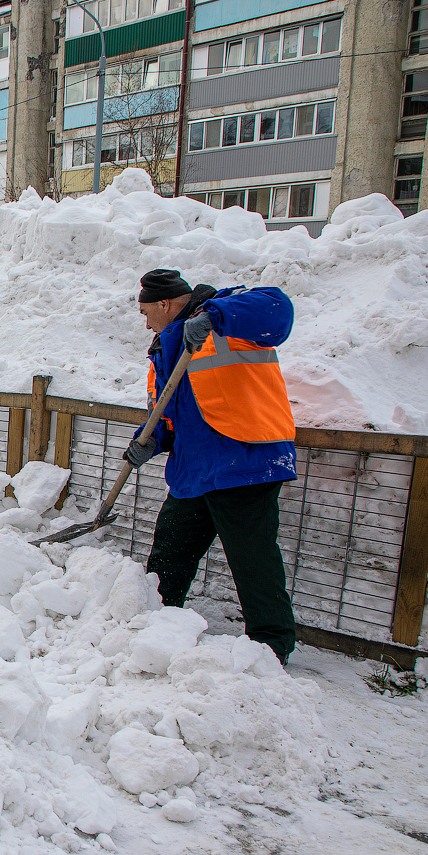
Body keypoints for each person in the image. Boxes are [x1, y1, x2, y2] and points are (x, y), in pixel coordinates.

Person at [123, 268, 299, 664]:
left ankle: (271, 647)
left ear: (164, 303)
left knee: (251, 556)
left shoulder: (226, 314)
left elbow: (278, 310)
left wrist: (216, 315)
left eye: (145, 311)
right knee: (171, 548)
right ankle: (160, 621)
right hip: (196, 469)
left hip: (243, 459)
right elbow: (168, 413)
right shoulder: (166, 345)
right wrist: (147, 442)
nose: (144, 320)